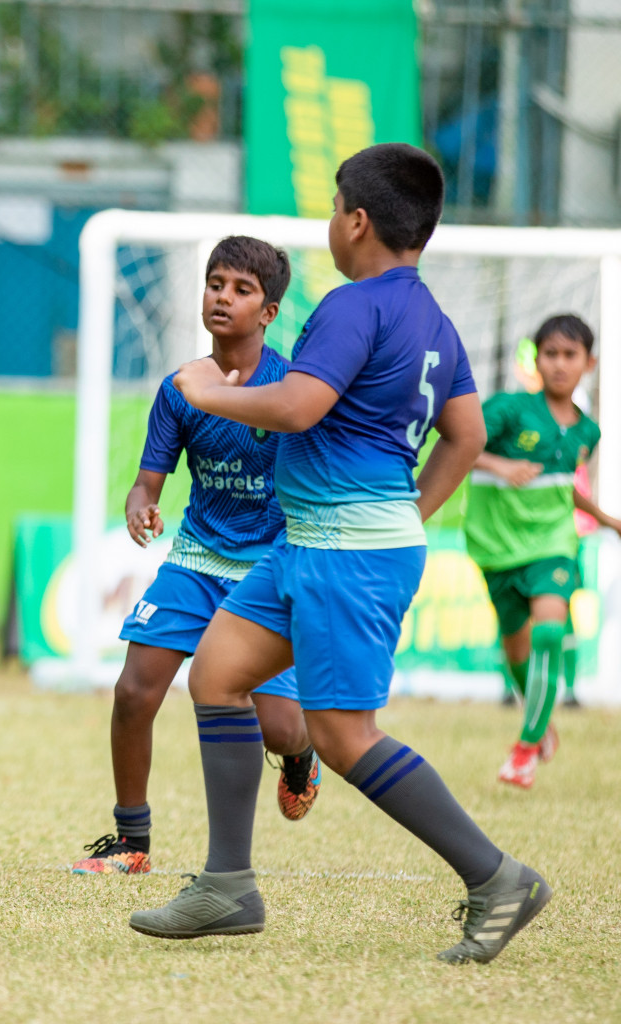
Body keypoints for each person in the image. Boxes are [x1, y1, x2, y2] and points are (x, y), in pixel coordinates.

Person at [128, 143, 551, 965]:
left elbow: (297, 403)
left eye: (332, 206)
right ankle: (228, 886)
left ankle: (497, 877)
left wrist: (203, 388)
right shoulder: (433, 318)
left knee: (343, 735)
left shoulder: (354, 305)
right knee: (215, 677)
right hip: (319, 546)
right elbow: (465, 436)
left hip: (346, 554)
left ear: (356, 221)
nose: (329, 220)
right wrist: (408, 513)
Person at [71, 236, 320, 878]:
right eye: (215, 284)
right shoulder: (181, 387)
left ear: (268, 312)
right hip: (196, 560)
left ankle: (300, 758)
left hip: (268, 574)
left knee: (280, 728)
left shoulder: (294, 387)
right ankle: (131, 842)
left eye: (241, 290)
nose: (222, 298)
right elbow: (146, 484)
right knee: (133, 692)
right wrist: (138, 508)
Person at [464, 314, 620, 788]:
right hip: (497, 545)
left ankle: (525, 748)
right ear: (538, 358)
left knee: (549, 633)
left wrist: (607, 519)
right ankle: (541, 720)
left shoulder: (587, 431)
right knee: (517, 651)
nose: (559, 364)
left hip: (553, 543)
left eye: (570, 355)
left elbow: (560, 486)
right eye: (551, 353)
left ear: (588, 363)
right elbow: (462, 444)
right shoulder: (509, 409)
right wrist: (499, 464)